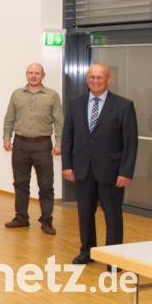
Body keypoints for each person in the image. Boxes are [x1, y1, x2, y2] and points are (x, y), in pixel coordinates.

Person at [63, 63, 137, 266]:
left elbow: (131, 143)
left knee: (113, 216)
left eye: (100, 78)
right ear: (87, 79)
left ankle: (114, 258)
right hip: (82, 170)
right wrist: (67, 165)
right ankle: (87, 251)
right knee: (85, 214)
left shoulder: (124, 106)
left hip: (112, 172)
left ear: (108, 80)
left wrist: (126, 171)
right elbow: (67, 137)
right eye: (92, 77)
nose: (95, 81)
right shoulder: (75, 104)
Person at [2, 63, 63, 235]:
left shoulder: (52, 96)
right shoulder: (17, 95)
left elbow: (60, 122)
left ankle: (46, 221)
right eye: (31, 73)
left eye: (37, 73)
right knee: (20, 183)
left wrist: (59, 143)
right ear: (26, 74)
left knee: (46, 185)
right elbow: (9, 119)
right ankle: (21, 217)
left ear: (43, 75)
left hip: (43, 146)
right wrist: (7, 138)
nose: (34, 76)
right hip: (20, 145)